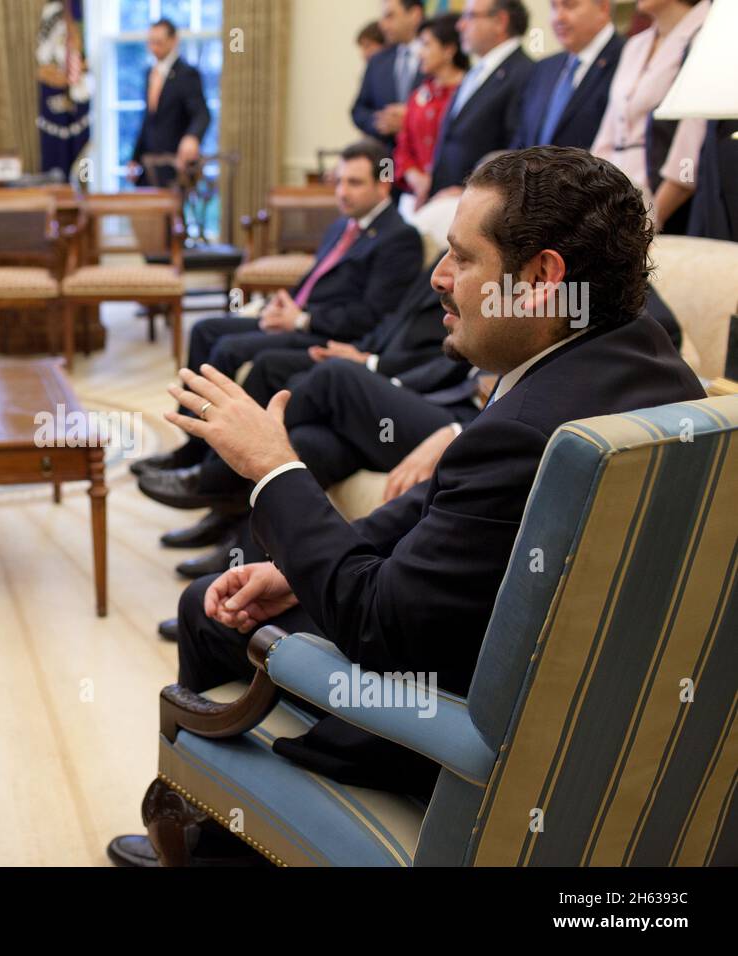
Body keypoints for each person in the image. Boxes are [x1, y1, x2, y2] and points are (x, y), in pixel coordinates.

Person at [109, 146, 705, 866]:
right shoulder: (653, 365)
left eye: (463, 258)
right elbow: (455, 507)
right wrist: (299, 566)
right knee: (256, 585)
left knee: (210, 609)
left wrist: (273, 467)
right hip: (597, 707)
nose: (439, 279)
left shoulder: (525, 431)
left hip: (459, 720)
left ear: (543, 279)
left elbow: (377, 625)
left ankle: (216, 846)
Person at [130, 139, 423, 478]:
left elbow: (372, 316)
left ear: (383, 183)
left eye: (354, 183)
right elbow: (317, 279)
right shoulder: (343, 225)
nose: (342, 192)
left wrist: (301, 318)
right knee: (204, 329)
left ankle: (213, 467)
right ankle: (195, 445)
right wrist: (281, 304)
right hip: (297, 318)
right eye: (339, 181)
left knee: (227, 349)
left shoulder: (399, 238)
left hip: (325, 334)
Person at [590, 0, 711, 233]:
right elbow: (607, 134)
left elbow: (688, 151)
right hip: (614, 198)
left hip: (668, 209)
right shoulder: (635, 44)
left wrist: (648, 223)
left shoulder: (708, 33)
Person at [427, 0, 535, 197]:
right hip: (445, 198)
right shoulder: (476, 70)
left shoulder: (525, 73)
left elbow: (517, 147)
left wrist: (472, 191)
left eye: (470, 16)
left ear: (500, 22)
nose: (460, 25)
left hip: (481, 202)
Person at [511, 0, 623, 150]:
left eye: (569, 6)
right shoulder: (544, 68)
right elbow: (522, 137)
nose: (558, 18)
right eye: (553, 7)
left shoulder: (626, 59)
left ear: (603, 8)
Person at [394, 14, 467, 209]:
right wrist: (415, 176)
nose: (420, 53)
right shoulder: (418, 95)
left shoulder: (469, 93)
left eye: (426, 45)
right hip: (413, 198)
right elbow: (403, 146)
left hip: (456, 197)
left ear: (449, 49)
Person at [127, 18, 210, 187]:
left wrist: (192, 138)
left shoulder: (187, 74)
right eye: (150, 42)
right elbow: (148, 119)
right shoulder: (150, 73)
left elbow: (202, 114)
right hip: (148, 164)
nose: (153, 48)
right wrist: (135, 158)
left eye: (159, 42)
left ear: (173, 41)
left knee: (173, 211)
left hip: (175, 164)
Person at [352, 0, 426, 148]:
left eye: (390, 16)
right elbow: (359, 110)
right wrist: (382, 122)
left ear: (414, 15)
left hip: (426, 159)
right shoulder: (378, 61)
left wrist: (411, 119)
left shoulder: (438, 57)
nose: (383, 25)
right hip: (387, 160)